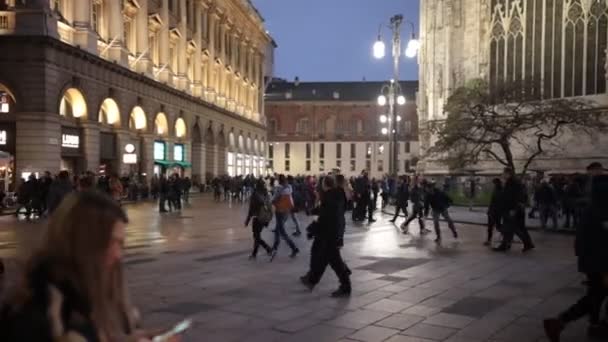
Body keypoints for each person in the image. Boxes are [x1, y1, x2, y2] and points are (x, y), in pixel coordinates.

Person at [0, 191, 183, 341]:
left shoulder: (85, 295)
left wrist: (130, 338)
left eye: (121, 244)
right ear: (83, 242)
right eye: (112, 242)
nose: (119, 254)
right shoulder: (36, 317)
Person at [543, 174, 608, 342]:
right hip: (600, 264)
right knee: (595, 296)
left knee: (595, 296)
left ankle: (563, 322)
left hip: (595, 262)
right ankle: (560, 322)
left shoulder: (594, 208)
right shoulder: (599, 211)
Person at [301, 176, 351, 297]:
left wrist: (312, 229)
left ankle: (345, 286)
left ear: (324, 185)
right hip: (336, 231)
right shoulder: (338, 195)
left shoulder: (329, 198)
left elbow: (324, 218)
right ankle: (312, 280)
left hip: (330, 233)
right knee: (325, 258)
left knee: (333, 260)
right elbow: (329, 213)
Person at [493, 168, 535, 252]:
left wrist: (513, 209)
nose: (503, 175)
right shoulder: (513, 182)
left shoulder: (513, 183)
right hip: (513, 209)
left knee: (512, 228)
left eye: (504, 173)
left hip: (511, 209)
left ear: (508, 173)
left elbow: (514, 197)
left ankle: (525, 243)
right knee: (514, 228)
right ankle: (507, 244)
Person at [270, 175, 299, 260]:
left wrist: (271, 200)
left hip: (280, 211)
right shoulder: (289, 187)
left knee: (282, 232)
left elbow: (274, 198)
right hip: (287, 210)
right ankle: (274, 248)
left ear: (279, 180)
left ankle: (294, 248)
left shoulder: (279, 188)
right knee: (277, 229)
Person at [245, 180, 273, 259]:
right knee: (257, 235)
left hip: (258, 217)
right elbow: (269, 206)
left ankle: (267, 249)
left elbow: (251, 208)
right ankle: (257, 252)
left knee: (256, 236)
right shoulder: (266, 193)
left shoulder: (255, 194)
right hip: (265, 218)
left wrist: (247, 220)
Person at [485, 178, 503, 246]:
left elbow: (494, 201)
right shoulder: (497, 190)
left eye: (494, 183)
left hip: (495, 211)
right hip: (495, 211)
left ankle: (490, 240)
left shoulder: (498, 190)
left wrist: (490, 210)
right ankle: (489, 240)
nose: (493, 185)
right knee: (494, 226)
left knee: (492, 226)